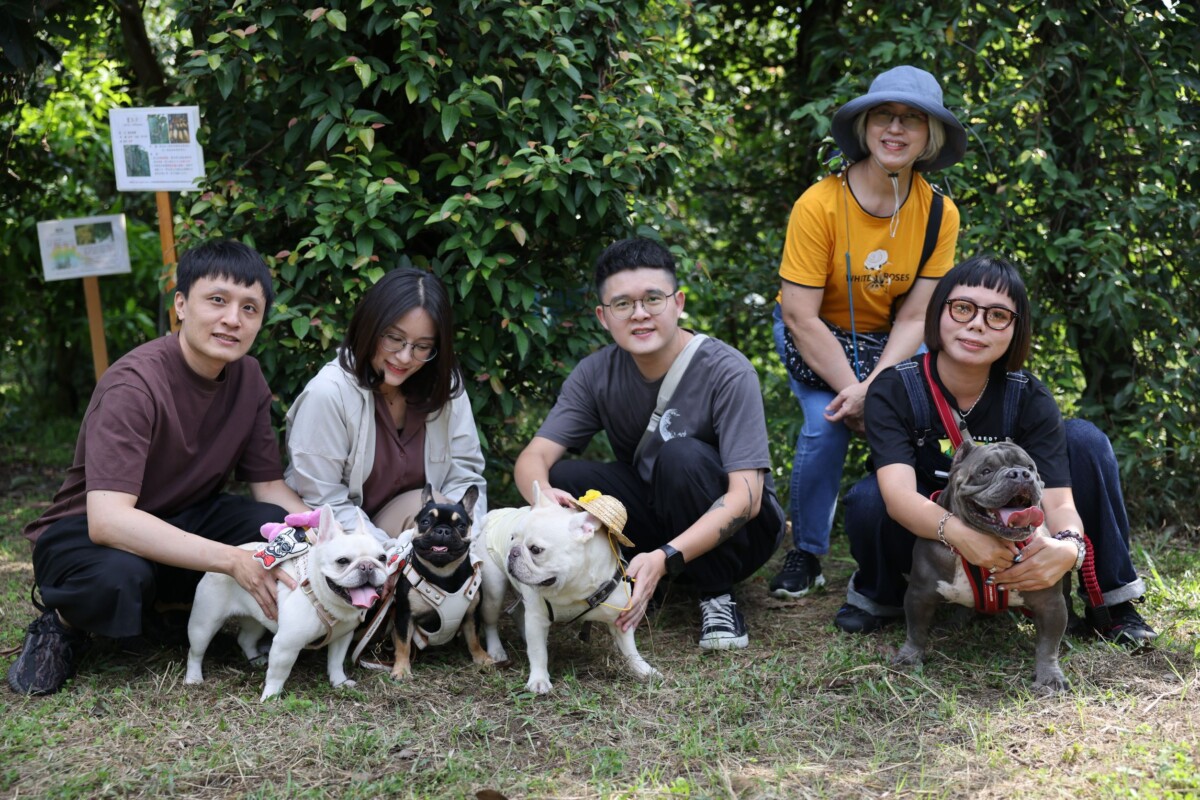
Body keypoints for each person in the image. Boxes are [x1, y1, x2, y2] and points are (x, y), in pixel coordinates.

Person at [9, 239, 311, 696]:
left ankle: (168, 607)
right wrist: (231, 559)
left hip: (183, 515)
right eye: (217, 300)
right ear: (181, 305)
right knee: (118, 578)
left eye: (250, 308)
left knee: (276, 527)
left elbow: (268, 485)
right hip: (86, 533)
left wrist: (325, 533)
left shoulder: (247, 377)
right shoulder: (134, 384)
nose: (233, 318)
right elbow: (108, 520)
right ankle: (63, 623)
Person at [833, 254, 1156, 646]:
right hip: (929, 532)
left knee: (1085, 439)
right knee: (868, 500)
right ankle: (884, 596)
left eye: (998, 316)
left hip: (1016, 530)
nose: (977, 324)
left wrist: (1067, 548)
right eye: (963, 308)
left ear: (1015, 330)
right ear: (938, 313)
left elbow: (1058, 499)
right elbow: (899, 496)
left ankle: (1112, 605)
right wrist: (958, 534)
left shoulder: (1028, 395)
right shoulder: (896, 388)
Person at [515, 237, 785, 650]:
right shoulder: (596, 374)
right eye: (623, 304)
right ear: (604, 317)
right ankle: (638, 579)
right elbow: (534, 456)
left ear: (677, 303)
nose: (639, 314)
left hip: (742, 534)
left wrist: (664, 555)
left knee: (682, 456)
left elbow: (746, 499)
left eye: (653, 299)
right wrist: (546, 503)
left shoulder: (728, 370)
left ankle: (716, 594)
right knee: (562, 476)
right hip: (660, 510)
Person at [770, 65, 967, 599]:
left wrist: (874, 390)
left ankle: (905, 546)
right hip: (817, 333)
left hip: (893, 339)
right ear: (865, 126)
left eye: (912, 119)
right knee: (825, 424)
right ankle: (806, 552)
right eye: (884, 114)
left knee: (910, 425)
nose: (895, 129)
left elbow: (914, 318)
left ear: (931, 136)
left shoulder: (939, 215)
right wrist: (850, 393)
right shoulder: (819, 204)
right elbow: (799, 315)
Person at [284, 267, 486, 544]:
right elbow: (322, 499)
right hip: (344, 536)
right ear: (371, 326)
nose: (404, 357)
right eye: (394, 338)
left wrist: (470, 538)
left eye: (422, 346)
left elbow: (464, 474)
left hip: (422, 532)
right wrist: (385, 552)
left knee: (436, 511)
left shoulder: (445, 386)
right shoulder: (328, 393)